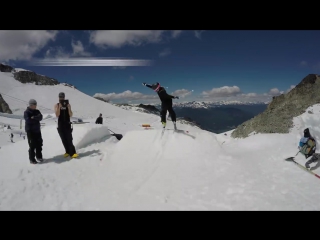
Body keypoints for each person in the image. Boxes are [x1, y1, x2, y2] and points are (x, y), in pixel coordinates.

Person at [54, 92, 78, 158]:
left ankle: (73, 153)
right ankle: (67, 151)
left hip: (67, 124)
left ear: (64, 97)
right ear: (58, 98)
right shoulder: (57, 105)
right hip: (60, 125)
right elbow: (57, 115)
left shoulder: (67, 104)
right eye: (60, 97)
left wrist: (69, 108)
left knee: (69, 138)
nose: (61, 98)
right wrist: (59, 107)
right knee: (63, 139)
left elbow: (70, 115)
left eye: (62, 97)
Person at [24, 99, 43, 164]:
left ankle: (39, 156)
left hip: (37, 130)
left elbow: (40, 117)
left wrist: (33, 117)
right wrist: (35, 118)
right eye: (35, 104)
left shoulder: (37, 111)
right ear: (31, 105)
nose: (35, 106)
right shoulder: (27, 112)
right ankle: (32, 159)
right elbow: (28, 120)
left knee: (39, 144)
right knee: (32, 145)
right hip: (30, 131)